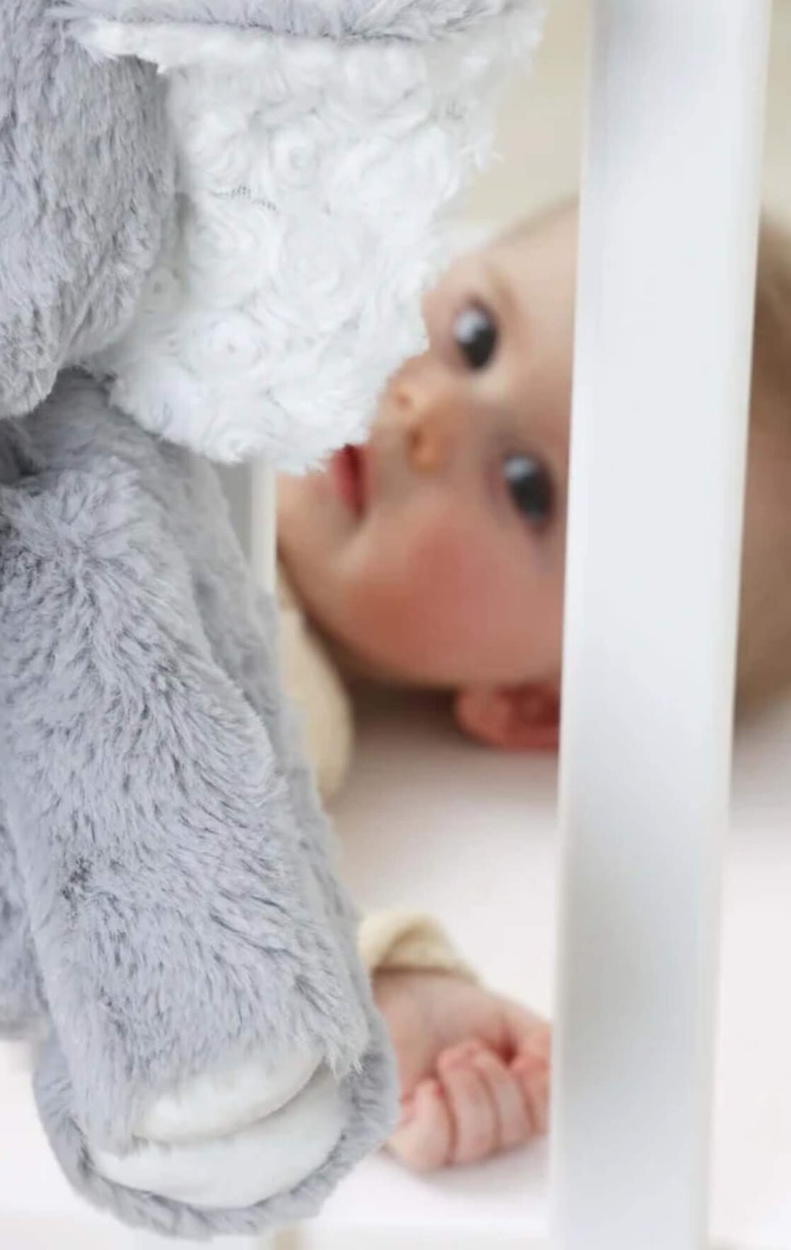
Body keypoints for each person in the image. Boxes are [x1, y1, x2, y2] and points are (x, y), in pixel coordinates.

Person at [278, 199, 791, 1171]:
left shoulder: (260, 689)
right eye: (474, 335)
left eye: (526, 486)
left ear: (534, 702)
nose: (427, 413)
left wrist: (374, 987)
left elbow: (154, 879)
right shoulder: (223, 285)